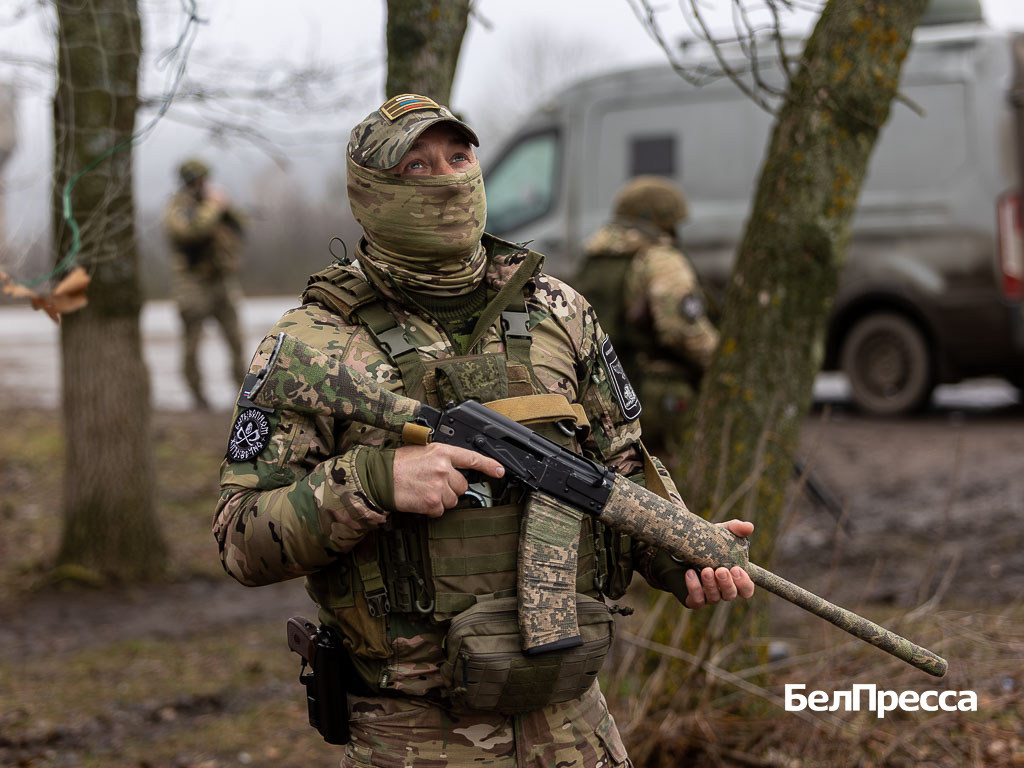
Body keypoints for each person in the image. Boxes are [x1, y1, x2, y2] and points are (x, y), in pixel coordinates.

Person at [213, 94, 754, 767]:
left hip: (573, 723)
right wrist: (371, 483)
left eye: (458, 157)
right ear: (369, 194)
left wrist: (675, 548)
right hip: (416, 736)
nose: (446, 177)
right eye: (416, 166)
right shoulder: (312, 344)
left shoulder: (560, 312)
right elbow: (240, 538)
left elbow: (618, 470)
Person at [574, 176, 719, 464]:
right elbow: (683, 331)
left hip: (603, 390)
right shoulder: (658, 259)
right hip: (655, 394)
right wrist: (722, 364)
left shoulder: (596, 257)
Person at [164, 158, 247, 410]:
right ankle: (198, 398)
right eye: (199, 180)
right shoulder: (178, 207)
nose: (203, 184)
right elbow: (190, 232)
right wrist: (214, 206)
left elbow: (241, 226)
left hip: (221, 280)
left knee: (235, 338)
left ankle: (245, 393)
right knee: (192, 343)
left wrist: (226, 207)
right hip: (192, 282)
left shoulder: (214, 201)